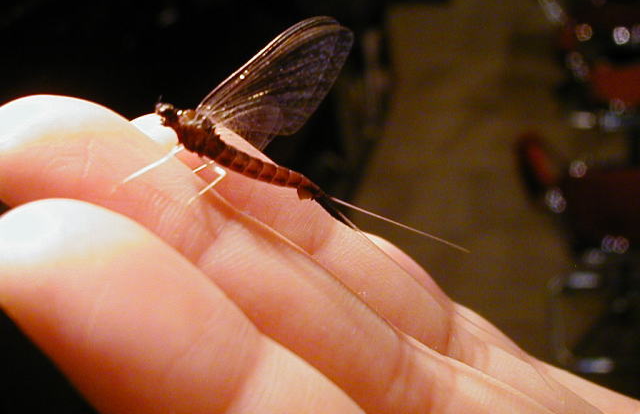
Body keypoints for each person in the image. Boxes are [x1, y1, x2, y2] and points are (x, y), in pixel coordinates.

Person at [0, 94, 636, 413]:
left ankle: (312, 191)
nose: (168, 118)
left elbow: (195, 168)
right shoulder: (192, 129)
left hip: (261, 176)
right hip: (243, 170)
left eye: (169, 116)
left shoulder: (193, 133)